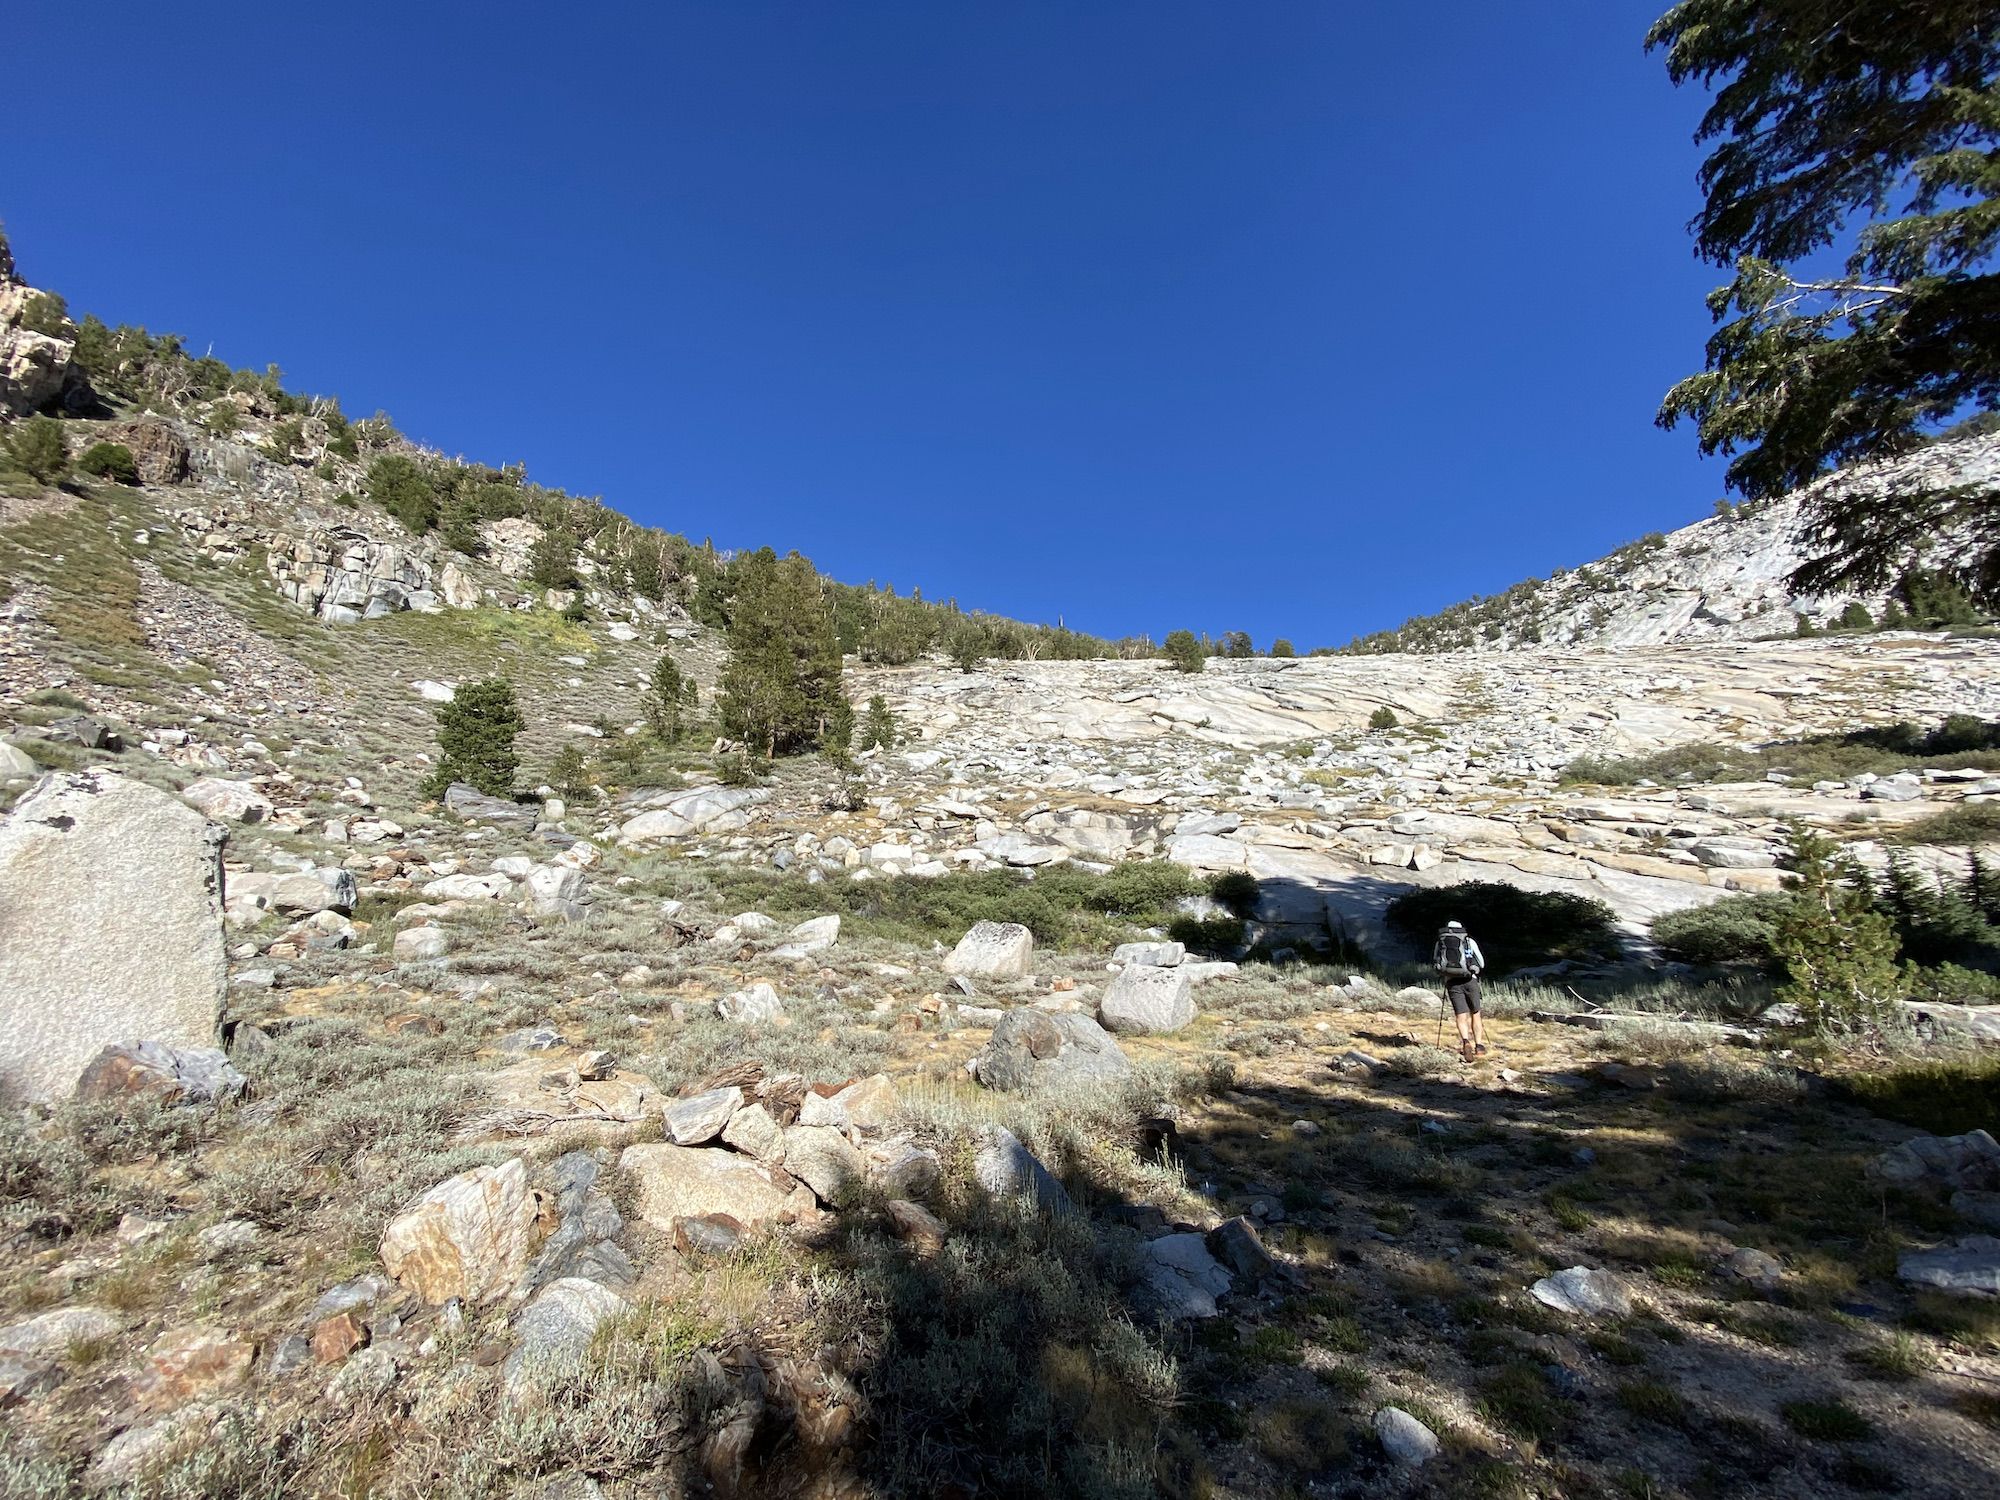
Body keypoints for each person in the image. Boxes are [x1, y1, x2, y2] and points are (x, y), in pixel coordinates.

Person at [1434, 919, 1487, 1062]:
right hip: (1470, 980)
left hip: (1452, 982)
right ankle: (1479, 1046)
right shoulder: (1469, 941)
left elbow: (1436, 962)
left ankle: (1465, 1041)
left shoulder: (1440, 943)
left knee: (1460, 1015)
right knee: (1475, 1013)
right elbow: (1481, 963)